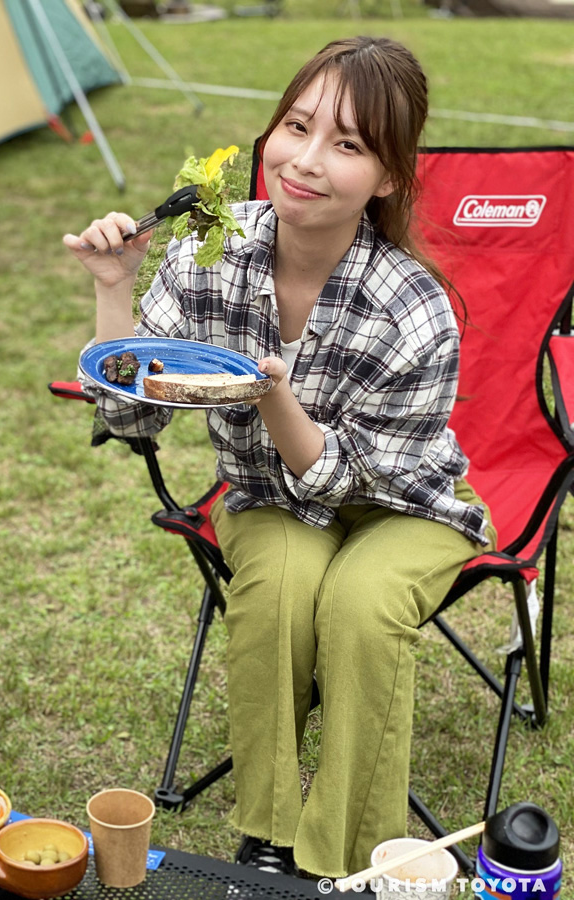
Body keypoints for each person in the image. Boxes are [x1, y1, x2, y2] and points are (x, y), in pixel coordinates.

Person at [64, 36, 495, 879]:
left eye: (348, 144)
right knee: (278, 592)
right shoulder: (205, 252)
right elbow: (127, 412)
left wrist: (271, 392)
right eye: (296, 126)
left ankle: (347, 861)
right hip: (269, 497)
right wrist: (114, 287)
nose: (304, 161)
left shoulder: (414, 307)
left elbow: (345, 476)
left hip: (401, 506)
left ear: (391, 178)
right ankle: (267, 840)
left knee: (364, 605)